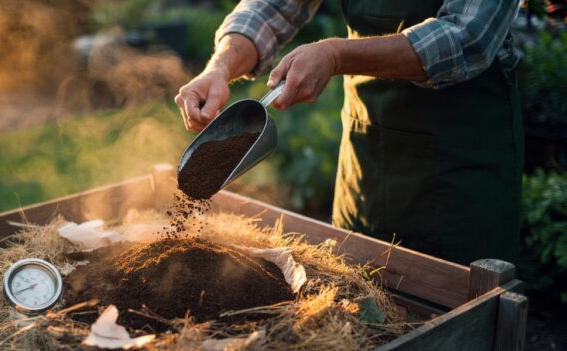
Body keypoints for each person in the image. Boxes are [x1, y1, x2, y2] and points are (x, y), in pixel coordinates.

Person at [175, 0, 524, 266]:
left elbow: (468, 38)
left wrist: (336, 55)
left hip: (460, 165)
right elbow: (272, 6)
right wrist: (219, 67)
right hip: (367, 156)